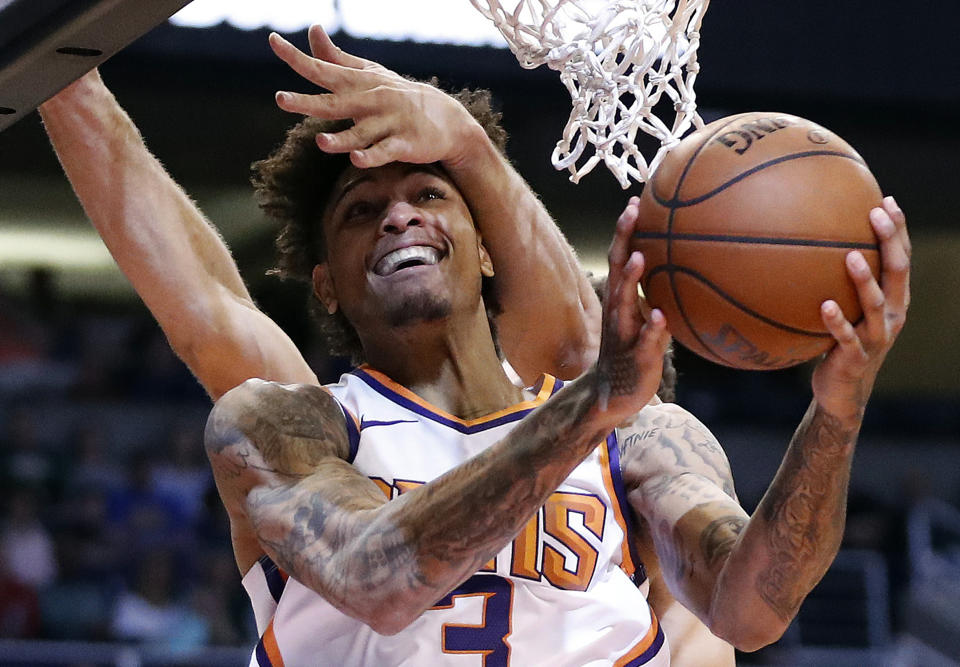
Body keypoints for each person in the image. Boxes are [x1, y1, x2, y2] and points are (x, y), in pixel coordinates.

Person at [37, 24, 910, 665]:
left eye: (428, 194)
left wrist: (837, 411)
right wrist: (56, 56)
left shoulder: (636, 438)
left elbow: (752, 608)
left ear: (486, 243)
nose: (400, 214)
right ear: (327, 284)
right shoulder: (292, 425)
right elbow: (377, 576)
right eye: (361, 212)